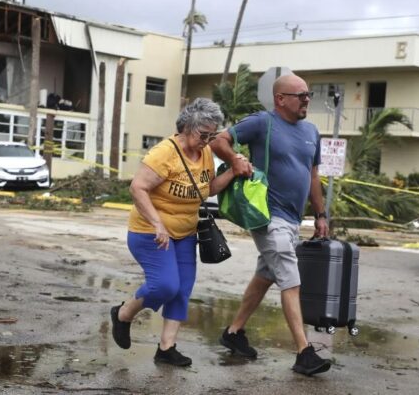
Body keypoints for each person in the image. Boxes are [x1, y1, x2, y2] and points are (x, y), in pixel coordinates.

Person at [210, 74, 332, 376]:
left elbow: (313, 175)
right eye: (300, 95)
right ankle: (304, 352)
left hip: (292, 220)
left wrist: (320, 215)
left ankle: (234, 332)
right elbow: (218, 140)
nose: (306, 100)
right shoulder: (262, 123)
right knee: (290, 278)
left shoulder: (311, 131)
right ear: (280, 99)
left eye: (308, 95)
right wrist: (236, 158)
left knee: (266, 274)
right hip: (267, 215)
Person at [109, 97, 239, 367]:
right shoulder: (163, 153)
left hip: (185, 234)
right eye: (204, 135)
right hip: (149, 232)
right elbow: (137, 188)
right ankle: (123, 314)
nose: (207, 141)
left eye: (211, 135)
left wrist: (233, 172)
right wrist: (157, 223)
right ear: (186, 128)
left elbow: (208, 188)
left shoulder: (203, 153)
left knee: (182, 290)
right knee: (165, 285)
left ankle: (167, 348)